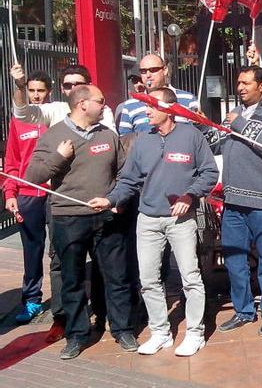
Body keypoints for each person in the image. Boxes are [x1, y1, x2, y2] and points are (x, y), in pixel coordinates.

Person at [88, 88, 219, 357]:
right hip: (147, 220)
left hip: (181, 220)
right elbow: (128, 181)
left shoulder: (191, 136)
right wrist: (110, 200)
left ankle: (195, 332)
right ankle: (160, 332)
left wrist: (190, 195)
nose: (146, 111)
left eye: (150, 106)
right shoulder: (142, 142)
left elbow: (209, 172)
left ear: (169, 109)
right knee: (148, 279)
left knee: (190, 278)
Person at [25, 85, 136, 360]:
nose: (105, 104)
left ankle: (122, 329)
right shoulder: (54, 137)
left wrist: (113, 199)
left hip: (106, 217)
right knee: (72, 280)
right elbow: (32, 176)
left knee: (117, 277)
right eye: (100, 101)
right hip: (68, 218)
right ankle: (76, 335)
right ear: (82, 104)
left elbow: (124, 174)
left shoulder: (108, 135)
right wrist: (59, 157)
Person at [206, 66, 262, 336]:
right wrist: (200, 123)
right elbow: (216, 143)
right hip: (233, 200)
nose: (240, 87)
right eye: (239, 83)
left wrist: (239, 124)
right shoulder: (236, 113)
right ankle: (243, 311)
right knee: (234, 259)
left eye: (246, 83)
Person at [4, 70, 52, 325]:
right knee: (32, 250)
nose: (35, 95)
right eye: (31, 90)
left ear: (49, 93)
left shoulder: (57, 118)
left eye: (40, 90)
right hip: (28, 196)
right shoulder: (18, 121)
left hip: (56, 194)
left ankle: (67, 301)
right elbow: (12, 161)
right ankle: (32, 300)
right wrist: (10, 193)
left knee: (61, 250)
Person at [11, 63, 115, 130]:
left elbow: (111, 142)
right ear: (62, 88)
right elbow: (22, 115)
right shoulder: (55, 109)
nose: (74, 89)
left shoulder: (103, 111)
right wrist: (20, 86)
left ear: (89, 86)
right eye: (68, 85)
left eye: (79, 84)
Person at [117, 53, 199, 134]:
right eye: (143, 71)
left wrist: (201, 125)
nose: (148, 75)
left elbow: (199, 136)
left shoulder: (188, 100)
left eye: (153, 70)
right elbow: (125, 142)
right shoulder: (130, 105)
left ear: (165, 70)